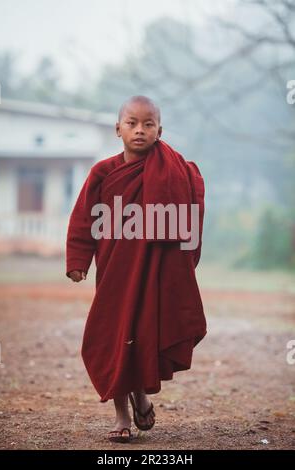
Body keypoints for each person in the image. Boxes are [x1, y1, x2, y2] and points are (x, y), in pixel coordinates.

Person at [66, 95, 206, 443]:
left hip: (157, 269)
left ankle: (139, 394)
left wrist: (186, 258)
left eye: (148, 124)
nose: (140, 130)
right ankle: (121, 412)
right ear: (118, 129)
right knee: (113, 336)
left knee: (144, 333)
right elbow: (84, 217)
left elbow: (190, 211)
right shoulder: (104, 172)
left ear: (160, 130)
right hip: (115, 268)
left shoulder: (178, 170)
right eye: (132, 123)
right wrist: (78, 260)